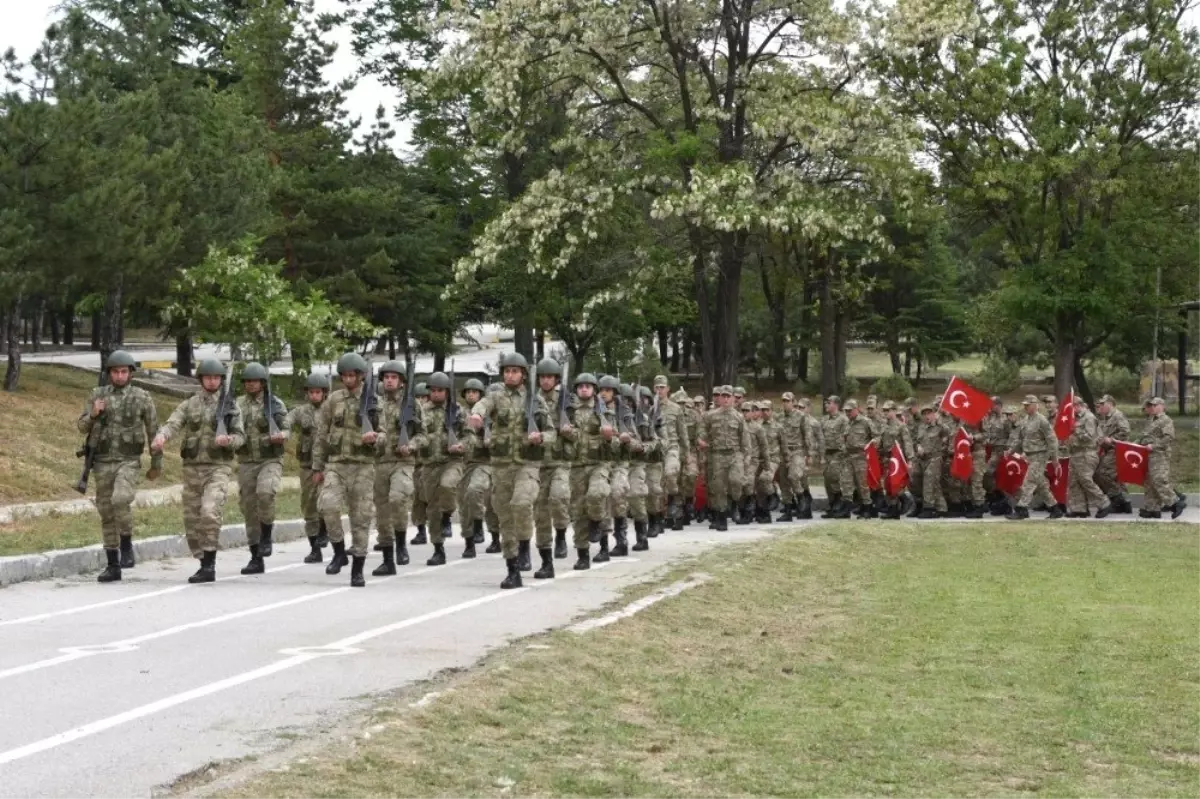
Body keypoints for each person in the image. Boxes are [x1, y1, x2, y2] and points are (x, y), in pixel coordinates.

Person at [151, 358, 245, 583]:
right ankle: (202, 559)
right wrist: (162, 436)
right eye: (208, 377)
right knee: (192, 520)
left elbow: (241, 437)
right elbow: (174, 422)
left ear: (221, 380)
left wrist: (228, 440)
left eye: (216, 378)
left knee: (209, 512)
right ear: (201, 379)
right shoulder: (189, 404)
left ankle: (209, 565)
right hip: (192, 469)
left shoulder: (230, 406)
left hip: (218, 468)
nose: (212, 381)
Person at [466, 353, 553, 588]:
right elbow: (483, 405)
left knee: (522, 504)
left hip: (527, 465)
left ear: (523, 375)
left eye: (515, 371)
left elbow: (552, 433)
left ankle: (525, 545)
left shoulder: (535, 401)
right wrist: (476, 414)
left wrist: (540, 436)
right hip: (501, 467)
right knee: (505, 518)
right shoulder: (496, 396)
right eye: (507, 371)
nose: (510, 375)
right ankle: (512, 569)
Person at [78, 350, 161, 583]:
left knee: (120, 499)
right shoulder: (97, 395)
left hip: (128, 461)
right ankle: (113, 564)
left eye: (124, 371)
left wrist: (157, 462)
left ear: (130, 374)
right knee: (105, 512)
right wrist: (94, 413)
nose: (120, 376)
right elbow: (81, 426)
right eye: (116, 372)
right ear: (109, 374)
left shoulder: (142, 397)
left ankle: (126, 542)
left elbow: (154, 431)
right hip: (102, 462)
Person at [312, 353, 378, 587]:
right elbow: (321, 434)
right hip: (336, 465)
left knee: (361, 518)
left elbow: (388, 435)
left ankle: (357, 569)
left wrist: (375, 438)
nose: (348, 379)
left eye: (353, 375)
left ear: (361, 377)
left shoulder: (373, 401)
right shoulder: (333, 400)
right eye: (345, 376)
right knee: (327, 505)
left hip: (362, 466)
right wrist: (317, 466)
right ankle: (339, 551)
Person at [234, 362, 290, 576]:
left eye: (254, 381)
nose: (250, 385)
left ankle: (267, 534)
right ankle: (256, 556)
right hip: (247, 461)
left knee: (265, 493)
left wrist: (280, 436)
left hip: (270, 459)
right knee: (249, 509)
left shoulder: (274, 404)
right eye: (247, 381)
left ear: (263, 383)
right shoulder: (237, 404)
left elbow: (287, 429)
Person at [372, 361, 423, 575]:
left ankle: (401, 541)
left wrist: (410, 446)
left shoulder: (411, 404)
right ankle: (387, 558)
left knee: (398, 499)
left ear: (401, 381)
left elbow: (423, 435)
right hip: (379, 463)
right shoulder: (373, 402)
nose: (390, 380)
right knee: (382, 512)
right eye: (386, 377)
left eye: (394, 377)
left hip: (403, 462)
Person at [417, 372, 467, 565]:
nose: (436, 394)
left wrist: (461, 445)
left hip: (452, 461)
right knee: (432, 509)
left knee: (447, 486)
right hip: (429, 464)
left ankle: (448, 515)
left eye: (440, 390)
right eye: (433, 390)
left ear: (447, 392)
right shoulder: (421, 411)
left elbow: (469, 435)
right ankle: (438, 549)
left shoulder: (458, 411)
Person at [287, 372, 331, 563]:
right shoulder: (301, 411)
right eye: (311, 392)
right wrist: (283, 430)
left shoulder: (331, 410)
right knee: (309, 506)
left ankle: (325, 530)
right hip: (306, 465)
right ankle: (314, 548)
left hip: (328, 465)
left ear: (324, 393)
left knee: (326, 502)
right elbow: (287, 420)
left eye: (318, 392)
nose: (314, 395)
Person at [535, 359, 573, 561]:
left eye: (550, 377)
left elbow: (578, 433)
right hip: (537, 462)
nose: (546, 380)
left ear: (556, 379)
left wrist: (568, 431)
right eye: (542, 377)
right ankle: (545, 549)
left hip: (560, 460)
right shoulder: (532, 400)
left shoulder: (566, 399)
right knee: (540, 509)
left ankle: (560, 534)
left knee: (559, 498)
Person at [697, 386, 747, 530]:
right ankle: (721, 517)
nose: (725, 399)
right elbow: (701, 429)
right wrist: (701, 440)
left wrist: (746, 457)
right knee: (718, 487)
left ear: (733, 398)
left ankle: (735, 502)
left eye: (728, 396)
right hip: (717, 455)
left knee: (736, 481)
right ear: (719, 398)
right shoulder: (711, 416)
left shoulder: (739, 417)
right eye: (723, 396)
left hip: (734, 454)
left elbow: (745, 439)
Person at [1005, 394, 1061, 520]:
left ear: (1035, 405)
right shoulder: (1026, 420)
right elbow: (1020, 439)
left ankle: (1021, 509)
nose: (1025, 407)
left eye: (1028, 405)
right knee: (1040, 484)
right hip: (1030, 456)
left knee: (1029, 482)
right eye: (1024, 405)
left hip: (1040, 455)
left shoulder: (1042, 420)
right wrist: (1010, 450)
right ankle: (1055, 508)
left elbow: (1052, 440)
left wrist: (1054, 459)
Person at [1139, 397, 1187, 519]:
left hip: (1159, 454)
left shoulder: (1166, 420)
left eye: (1155, 405)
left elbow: (1169, 438)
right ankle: (1152, 508)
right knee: (1149, 481)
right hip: (1149, 454)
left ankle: (1175, 502)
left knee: (1158, 479)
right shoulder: (1151, 420)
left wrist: (1154, 446)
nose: (1152, 407)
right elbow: (1145, 437)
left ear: (1162, 406)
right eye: (1151, 406)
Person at [653, 375, 690, 530]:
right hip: (655, 450)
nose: (660, 390)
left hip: (672, 448)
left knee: (670, 474)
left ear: (668, 389)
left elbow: (683, 433)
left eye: (662, 387)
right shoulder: (649, 407)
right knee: (657, 485)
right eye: (657, 387)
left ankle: (674, 501)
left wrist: (686, 453)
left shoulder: (676, 409)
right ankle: (662, 517)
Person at [1065, 395, 1111, 518]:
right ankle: (1079, 508)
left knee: (1085, 480)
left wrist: (1075, 430)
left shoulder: (1089, 418)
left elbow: (1089, 436)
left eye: (1071, 407)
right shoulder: (1075, 418)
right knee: (1074, 482)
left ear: (1077, 405)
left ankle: (1104, 503)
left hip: (1087, 454)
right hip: (1075, 454)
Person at [1094, 394, 1132, 513]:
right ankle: (1125, 504)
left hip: (1116, 449)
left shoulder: (1117, 415)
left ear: (1110, 404)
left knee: (1104, 473)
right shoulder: (1105, 417)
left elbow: (1125, 431)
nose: (1101, 406)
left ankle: (1117, 498)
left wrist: (1111, 439)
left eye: (1103, 404)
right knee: (1116, 477)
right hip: (1108, 450)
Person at [910, 403, 948, 518]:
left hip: (935, 458)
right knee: (914, 478)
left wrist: (939, 421)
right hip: (921, 458)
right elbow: (915, 441)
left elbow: (948, 434)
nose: (927, 416)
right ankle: (938, 507)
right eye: (925, 414)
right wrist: (917, 447)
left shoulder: (940, 426)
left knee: (929, 478)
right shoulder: (920, 427)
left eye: (929, 413)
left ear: (934, 414)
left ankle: (929, 508)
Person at [820, 396, 852, 519]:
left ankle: (840, 502)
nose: (826, 405)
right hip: (827, 453)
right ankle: (833, 505)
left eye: (829, 403)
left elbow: (847, 436)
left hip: (839, 453)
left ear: (836, 405)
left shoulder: (843, 419)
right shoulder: (824, 420)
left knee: (833, 476)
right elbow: (821, 437)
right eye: (826, 402)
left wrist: (844, 451)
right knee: (827, 480)